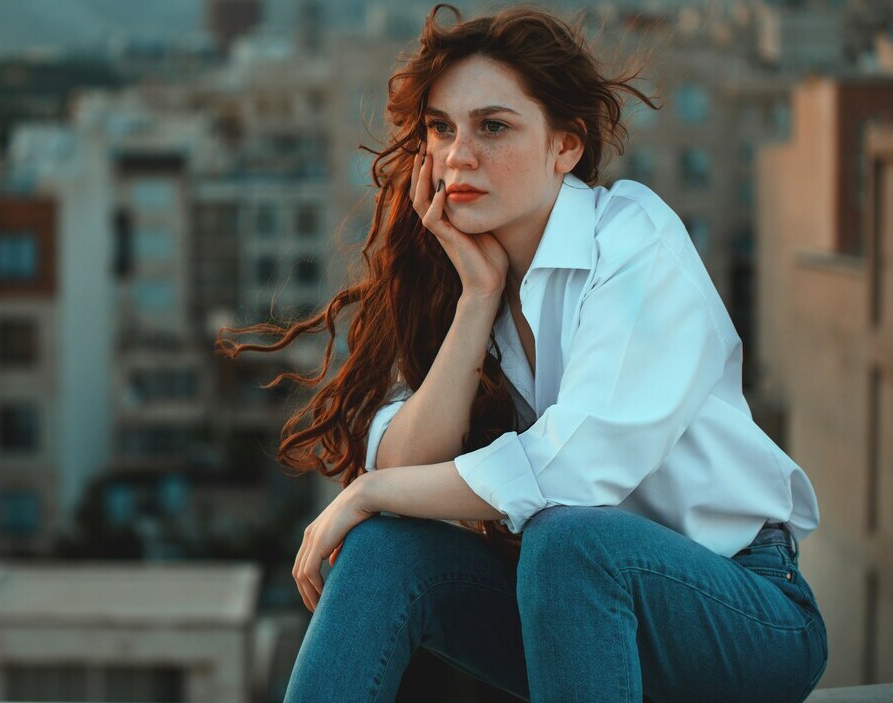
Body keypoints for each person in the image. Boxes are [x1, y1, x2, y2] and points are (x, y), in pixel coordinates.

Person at [215, 4, 827, 702]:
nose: (457, 155)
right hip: (580, 622)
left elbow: (577, 468)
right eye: (441, 128)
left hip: (746, 613)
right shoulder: (467, 274)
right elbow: (405, 465)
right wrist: (478, 299)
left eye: (493, 126)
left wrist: (366, 489)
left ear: (565, 147)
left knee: (567, 538)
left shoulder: (633, 242)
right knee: (386, 549)